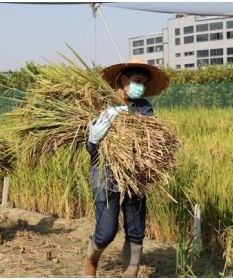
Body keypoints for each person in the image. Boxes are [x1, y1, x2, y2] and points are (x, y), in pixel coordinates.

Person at [81, 58, 170, 278]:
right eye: (137, 80)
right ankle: (91, 262)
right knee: (106, 232)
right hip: (105, 176)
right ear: (124, 80)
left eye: (144, 83)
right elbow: (90, 149)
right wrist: (94, 138)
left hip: (136, 176)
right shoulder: (102, 105)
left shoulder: (144, 108)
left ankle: (129, 275)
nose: (141, 86)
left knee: (136, 231)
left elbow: (151, 142)